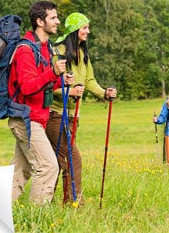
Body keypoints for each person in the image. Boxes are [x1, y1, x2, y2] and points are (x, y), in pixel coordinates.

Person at [8, 0, 74, 205]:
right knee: (47, 166)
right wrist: (53, 72)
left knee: (21, 170)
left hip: (37, 117)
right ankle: (36, 219)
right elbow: (27, 87)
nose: (58, 21)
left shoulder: (45, 47)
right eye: (53, 17)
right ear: (39, 21)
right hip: (26, 118)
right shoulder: (26, 50)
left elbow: (43, 80)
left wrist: (60, 80)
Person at [46, 12, 117, 203]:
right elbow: (49, 85)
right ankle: (74, 201)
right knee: (72, 158)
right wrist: (69, 92)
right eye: (85, 27)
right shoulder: (57, 51)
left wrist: (104, 93)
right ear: (75, 29)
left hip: (72, 117)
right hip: (55, 115)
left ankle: (49, 201)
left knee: (59, 161)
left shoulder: (83, 54)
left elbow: (89, 81)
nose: (88, 31)